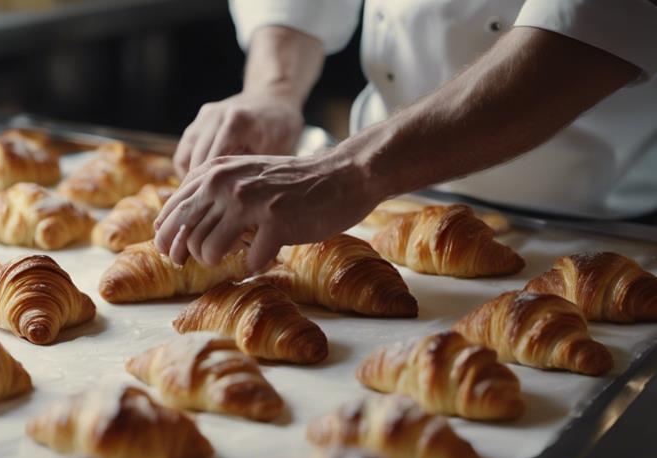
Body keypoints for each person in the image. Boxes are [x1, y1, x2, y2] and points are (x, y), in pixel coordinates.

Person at [153, 0, 657, 271]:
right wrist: (273, 90)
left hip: (611, 229)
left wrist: (352, 170)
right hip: (390, 213)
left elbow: (594, 25)